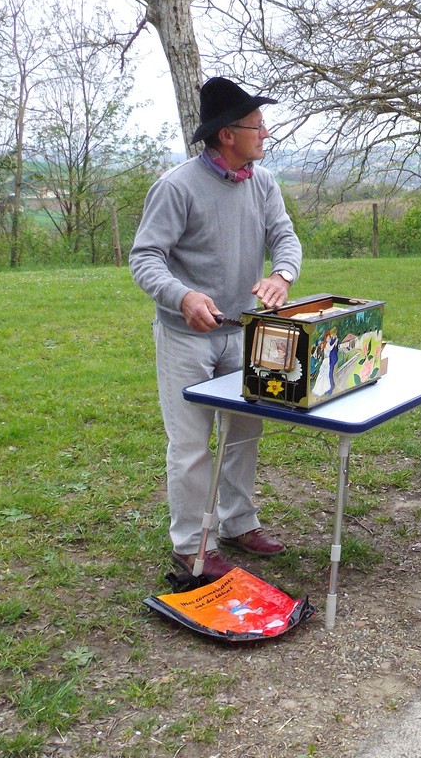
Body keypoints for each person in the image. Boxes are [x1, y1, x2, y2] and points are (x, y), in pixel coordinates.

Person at [130, 76, 303, 580]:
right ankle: (191, 546)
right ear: (227, 134)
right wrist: (181, 295)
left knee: (245, 434)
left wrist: (281, 274)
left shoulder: (263, 182)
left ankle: (237, 523)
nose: (265, 133)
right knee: (190, 446)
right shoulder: (176, 186)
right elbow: (145, 259)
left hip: (245, 333)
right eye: (257, 125)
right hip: (186, 338)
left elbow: (285, 237)